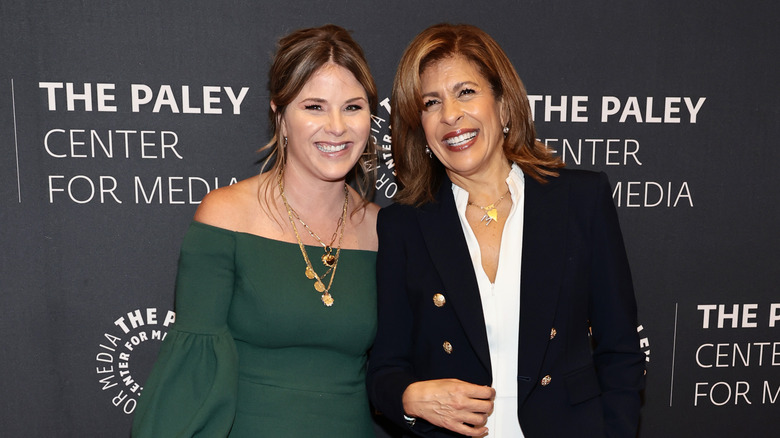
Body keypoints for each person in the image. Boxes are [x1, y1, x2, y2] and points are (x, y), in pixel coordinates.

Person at [367, 23, 645, 438]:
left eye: (466, 92)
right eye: (430, 102)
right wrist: (409, 398)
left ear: (504, 105)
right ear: (419, 126)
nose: (450, 115)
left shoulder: (580, 200)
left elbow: (621, 350)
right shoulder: (402, 226)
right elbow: (385, 370)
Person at [132, 24, 380, 437]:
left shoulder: (381, 228)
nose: (337, 126)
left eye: (353, 107)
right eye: (314, 107)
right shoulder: (225, 215)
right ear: (280, 117)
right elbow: (192, 372)